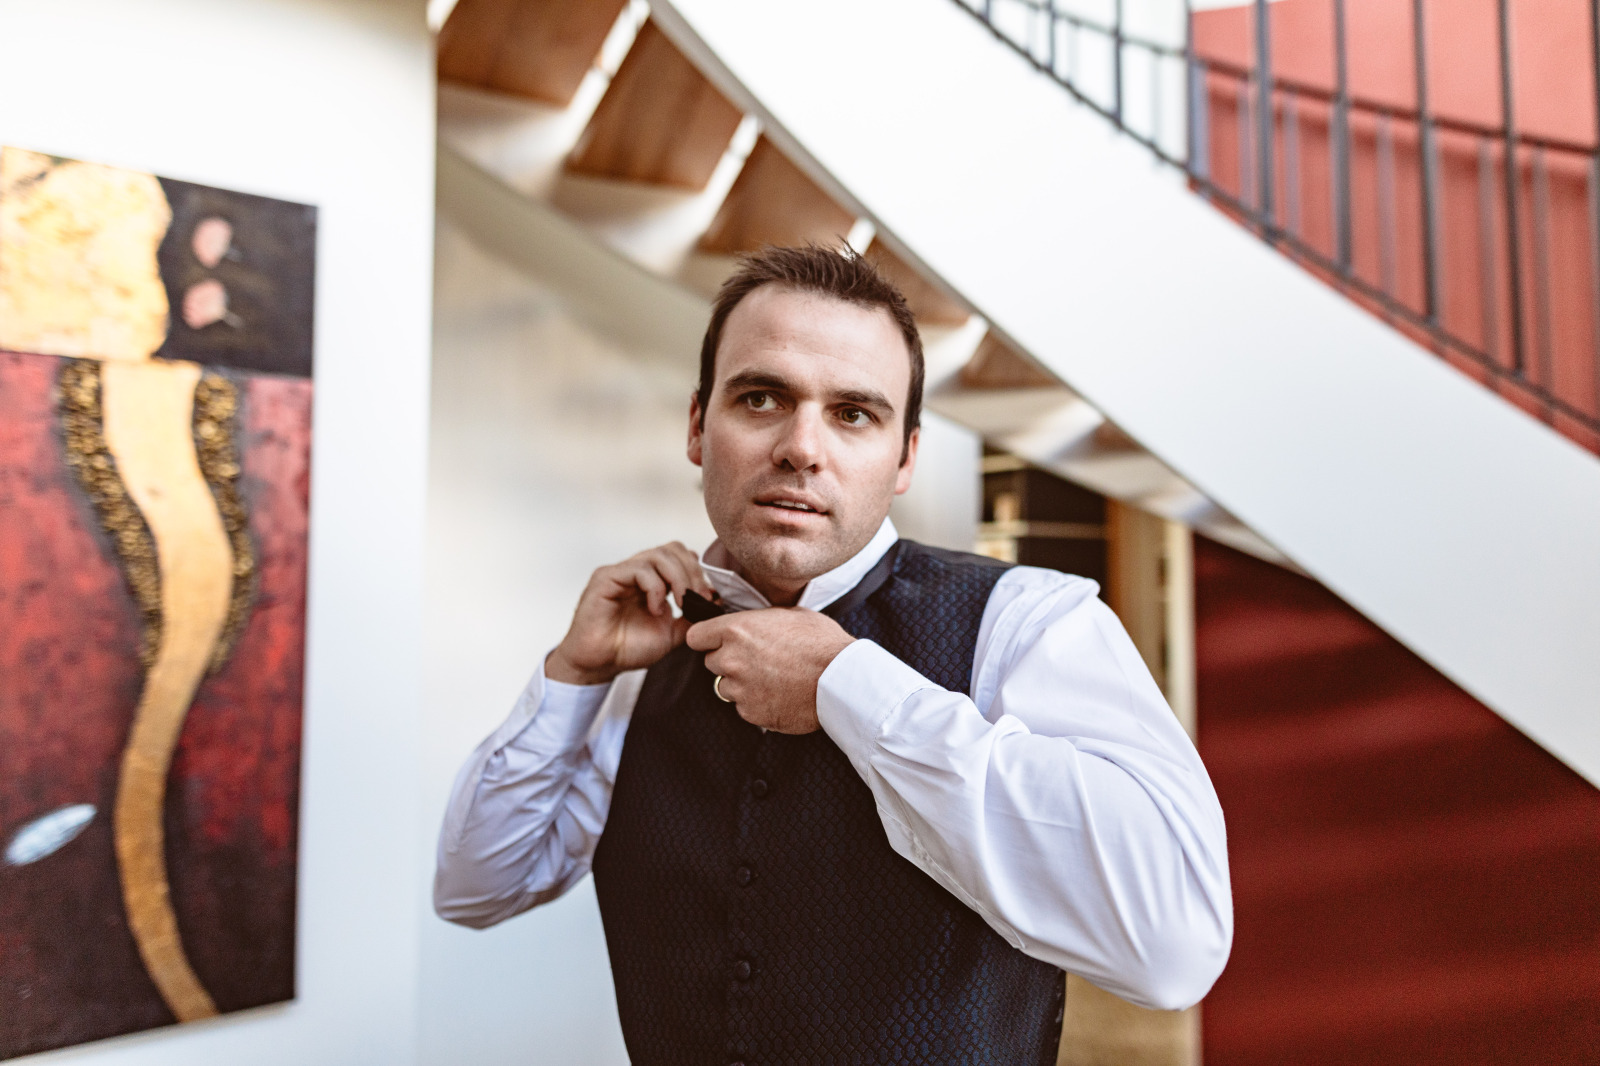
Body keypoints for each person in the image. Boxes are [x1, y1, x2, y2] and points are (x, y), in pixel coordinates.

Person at [434, 245, 1232, 1065]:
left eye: (853, 414)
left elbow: (1175, 946)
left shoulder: (1025, 623)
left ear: (906, 458)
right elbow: (476, 887)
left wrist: (847, 687)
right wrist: (573, 677)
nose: (801, 448)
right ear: (698, 427)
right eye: (761, 398)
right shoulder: (650, 658)